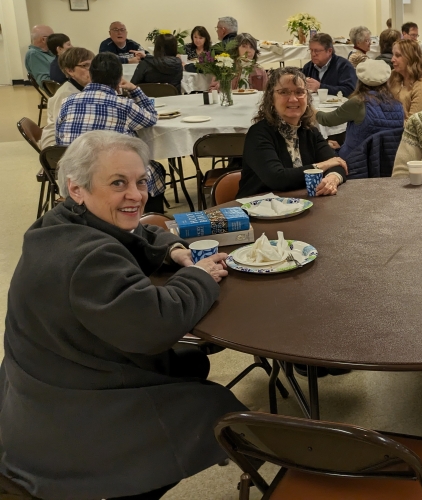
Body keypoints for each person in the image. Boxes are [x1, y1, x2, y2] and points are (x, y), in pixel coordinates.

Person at [0, 130, 244, 500]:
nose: (136, 194)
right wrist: (198, 275)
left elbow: (139, 231)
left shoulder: (60, 224)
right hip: (70, 414)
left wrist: (175, 250)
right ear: (77, 188)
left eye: (141, 181)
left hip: (38, 387)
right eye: (118, 183)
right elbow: (157, 324)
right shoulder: (90, 258)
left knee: (190, 363)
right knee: (215, 411)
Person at [56, 52, 166, 213]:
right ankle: (148, 223)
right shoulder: (123, 104)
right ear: (119, 79)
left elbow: (59, 139)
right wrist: (135, 90)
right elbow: (151, 118)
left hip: (72, 175)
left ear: (91, 75)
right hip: (109, 174)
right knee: (154, 171)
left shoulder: (67, 102)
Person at [238, 67, 348, 198]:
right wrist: (323, 165)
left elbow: (338, 165)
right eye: (284, 92)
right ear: (271, 98)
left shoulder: (310, 131)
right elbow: (278, 179)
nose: (293, 99)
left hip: (301, 206)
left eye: (299, 92)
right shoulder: (259, 134)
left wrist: (332, 178)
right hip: (258, 210)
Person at [316, 60, 405, 178]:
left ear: (360, 80)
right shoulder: (398, 105)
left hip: (355, 163)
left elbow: (327, 120)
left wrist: (312, 111)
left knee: (319, 150)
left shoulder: (358, 102)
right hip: (387, 164)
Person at [40, 46, 94, 149]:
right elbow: (63, 130)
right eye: (85, 65)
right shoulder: (66, 94)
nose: (92, 70)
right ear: (70, 71)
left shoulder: (82, 87)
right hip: (57, 148)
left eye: (93, 65)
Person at [389, 38, 422, 117]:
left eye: (397, 55)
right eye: (393, 55)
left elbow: (412, 121)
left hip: (405, 128)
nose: (392, 60)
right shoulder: (393, 75)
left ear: (410, 57)